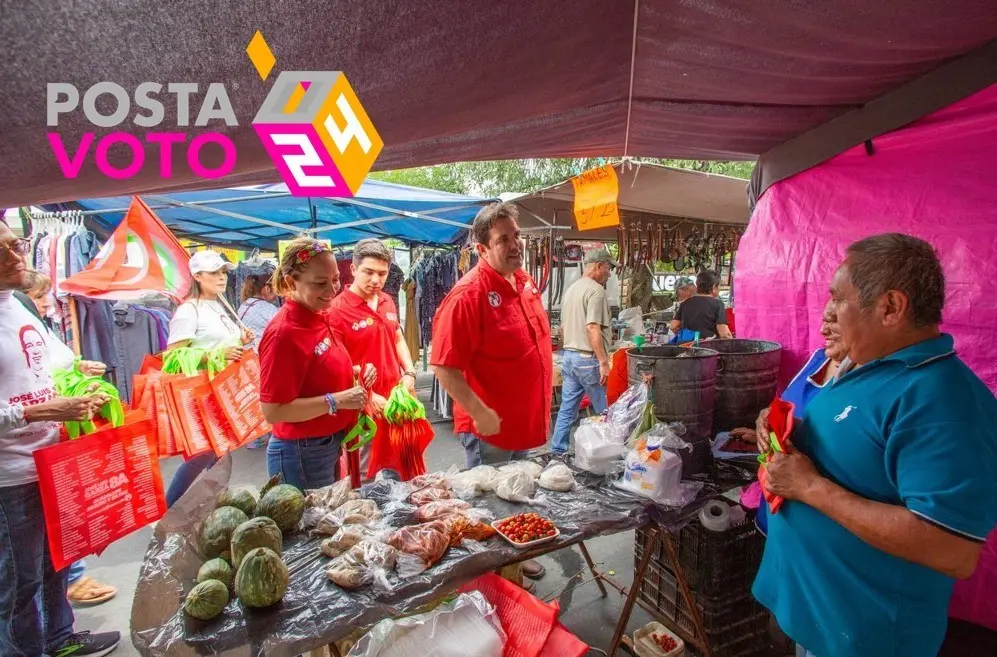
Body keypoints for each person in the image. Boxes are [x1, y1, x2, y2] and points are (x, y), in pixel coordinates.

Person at [753, 233, 997, 657]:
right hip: (818, 619)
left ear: (890, 307)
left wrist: (811, 488)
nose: (827, 312)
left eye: (838, 299)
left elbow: (952, 549)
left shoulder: (942, 400)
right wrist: (773, 426)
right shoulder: (863, 366)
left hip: (865, 636)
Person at [0, 223, 121, 656]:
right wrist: (40, 411)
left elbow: (41, 370)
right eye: (7, 249)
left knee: (57, 561)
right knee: (18, 582)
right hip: (10, 477)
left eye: (16, 244)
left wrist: (74, 381)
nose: (18, 254)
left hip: (52, 461)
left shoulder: (18, 306)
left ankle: (59, 638)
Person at [431, 202, 552, 587]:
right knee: (491, 504)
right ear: (482, 249)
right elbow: (442, 366)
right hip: (491, 430)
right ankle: (497, 577)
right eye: (504, 239)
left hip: (524, 422)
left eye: (516, 235)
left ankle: (515, 555)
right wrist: (479, 411)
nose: (515, 244)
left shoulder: (525, 280)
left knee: (519, 493)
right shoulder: (468, 295)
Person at [17, 270, 118, 606]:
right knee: (23, 576)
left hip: (54, 447)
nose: (49, 303)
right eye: (39, 296)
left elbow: (48, 375)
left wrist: (80, 375)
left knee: (58, 540)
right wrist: (41, 411)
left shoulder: (34, 325)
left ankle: (62, 630)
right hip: (20, 464)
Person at [258, 238, 375, 490]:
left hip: (324, 444)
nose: (332, 290)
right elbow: (273, 410)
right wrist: (338, 400)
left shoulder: (318, 314)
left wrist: (353, 374)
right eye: (320, 283)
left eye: (335, 279)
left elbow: (314, 370)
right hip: (301, 452)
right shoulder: (284, 332)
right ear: (291, 283)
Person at [164, 250, 254, 507]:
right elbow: (172, 358)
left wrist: (240, 341)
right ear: (197, 276)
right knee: (204, 453)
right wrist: (216, 354)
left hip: (225, 392)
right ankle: (169, 508)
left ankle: (215, 505)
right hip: (202, 395)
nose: (222, 277)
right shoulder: (188, 311)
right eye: (214, 272)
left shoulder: (220, 306)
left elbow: (221, 346)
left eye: (224, 271)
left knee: (220, 452)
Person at [328, 239, 418, 480]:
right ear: (354, 269)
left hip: (399, 401)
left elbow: (397, 337)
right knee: (367, 474)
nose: (376, 280)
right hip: (364, 408)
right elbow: (335, 366)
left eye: (382, 273)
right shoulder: (336, 310)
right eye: (368, 272)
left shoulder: (387, 300)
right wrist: (368, 396)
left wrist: (409, 373)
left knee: (406, 465)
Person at [549, 247, 616, 456]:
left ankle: (557, 450)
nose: (609, 273)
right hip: (588, 359)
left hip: (569, 357)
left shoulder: (572, 289)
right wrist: (604, 362)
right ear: (598, 266)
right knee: (605, 410)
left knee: (567, 409)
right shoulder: (596, 290)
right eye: (608, 268)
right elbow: (592, 327)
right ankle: (611, 452)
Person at [236, 272, 279, 449]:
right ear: (266, 288)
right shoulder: (267, 309)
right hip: (265, 358)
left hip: (248, 358)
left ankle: (254, 437)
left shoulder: (243, 306)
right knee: (269, 396)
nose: (276, 293)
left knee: (253, 397)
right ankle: (268, 433)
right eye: (274, 288)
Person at [669, 270, 732, 339]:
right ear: (714, 287)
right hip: (708, 347)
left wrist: (684, 335)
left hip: (687, 347)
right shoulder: (718, 304)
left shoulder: (684, 304)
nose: (719, 289)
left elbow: (673, 326)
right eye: (719, 286)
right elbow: (724, 334)